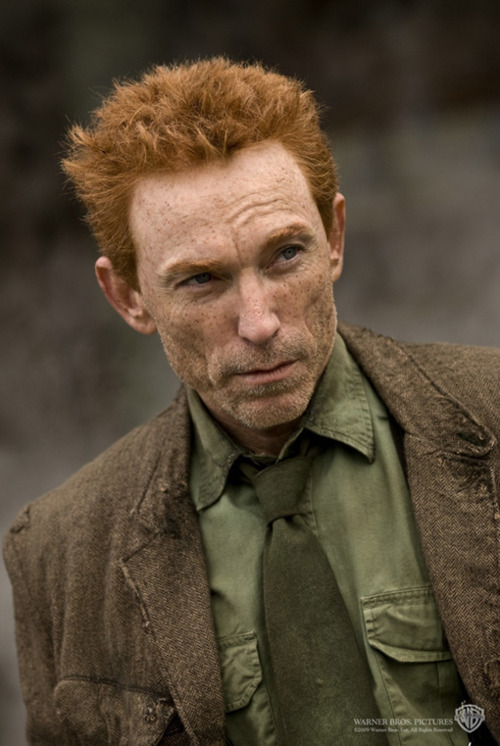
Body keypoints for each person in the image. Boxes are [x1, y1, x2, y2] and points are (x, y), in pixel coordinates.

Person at [3, 58, 499, 746]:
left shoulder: (488, 418)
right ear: (128, 297)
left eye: (286, 254)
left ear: (334, 238)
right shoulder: (60, 553)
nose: (260, 323)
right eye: (201, 280)